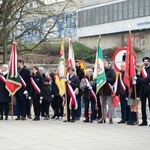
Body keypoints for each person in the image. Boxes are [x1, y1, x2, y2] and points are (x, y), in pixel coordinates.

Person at [98, 59, 116, 124]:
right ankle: (103, 118)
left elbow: (113, 79)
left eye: (104, 64)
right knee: (102, 105)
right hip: (101, 90)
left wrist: (106, 79)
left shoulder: (111, 70)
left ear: (106, 63)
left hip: (109, 90)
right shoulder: (100, 71)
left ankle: (111, 118)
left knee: (110, 105)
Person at [137, 57, 150, 126]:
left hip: (149, 89)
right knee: (143, 106)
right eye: (144, 61)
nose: (145, 62)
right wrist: (138, 79)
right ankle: (144, 121)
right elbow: (140, 79)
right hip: (143, 90)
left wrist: (141, 80)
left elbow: (147, 79)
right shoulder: (143, 70)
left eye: (147, 61)